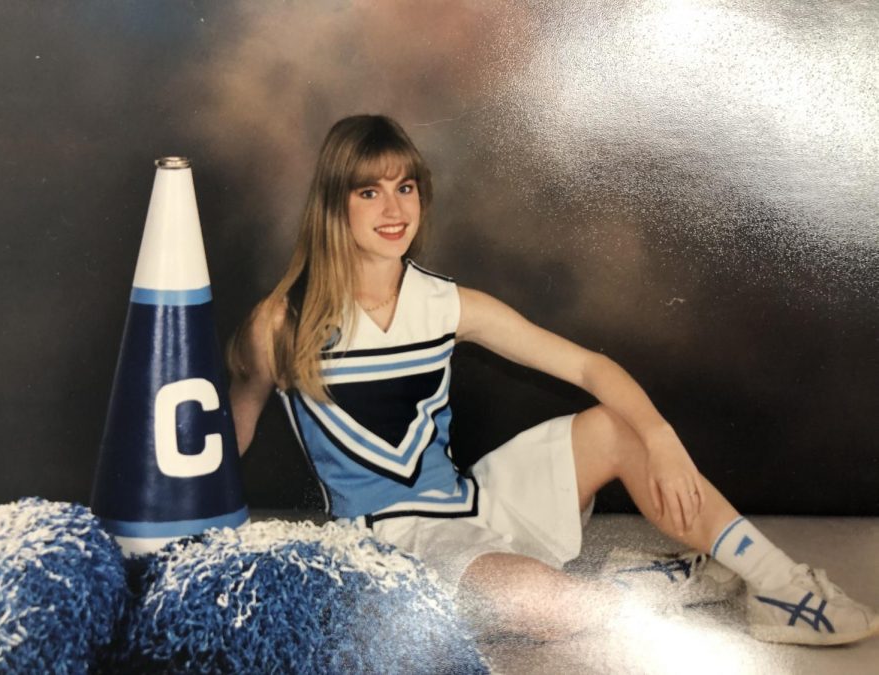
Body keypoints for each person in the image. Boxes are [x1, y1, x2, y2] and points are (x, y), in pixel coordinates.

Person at [227, 114, 878, 646]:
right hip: (390, 545)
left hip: (474, 501)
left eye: (406, 187)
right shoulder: (282, 324)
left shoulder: (449, 304)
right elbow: (240, 412)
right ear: (334, 204)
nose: (394, 208)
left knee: (615, 427)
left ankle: (778, 584)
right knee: (556, 612)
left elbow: (589, 367)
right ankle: (653, 582)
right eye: (369, 191)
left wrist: (662, 439)